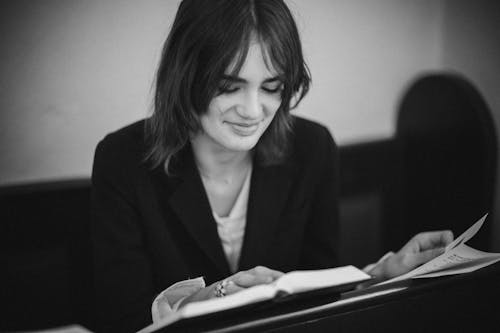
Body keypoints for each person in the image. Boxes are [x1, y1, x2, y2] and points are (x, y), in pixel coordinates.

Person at [90, 0, 453, 332]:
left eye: (272, 87)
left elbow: (317, 291)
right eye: (228, 86)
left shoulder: (312, 148)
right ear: (185, 74)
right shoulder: (123, 160)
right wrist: (200, 301)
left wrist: (380, 274)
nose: (252, 111)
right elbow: (120, 320)